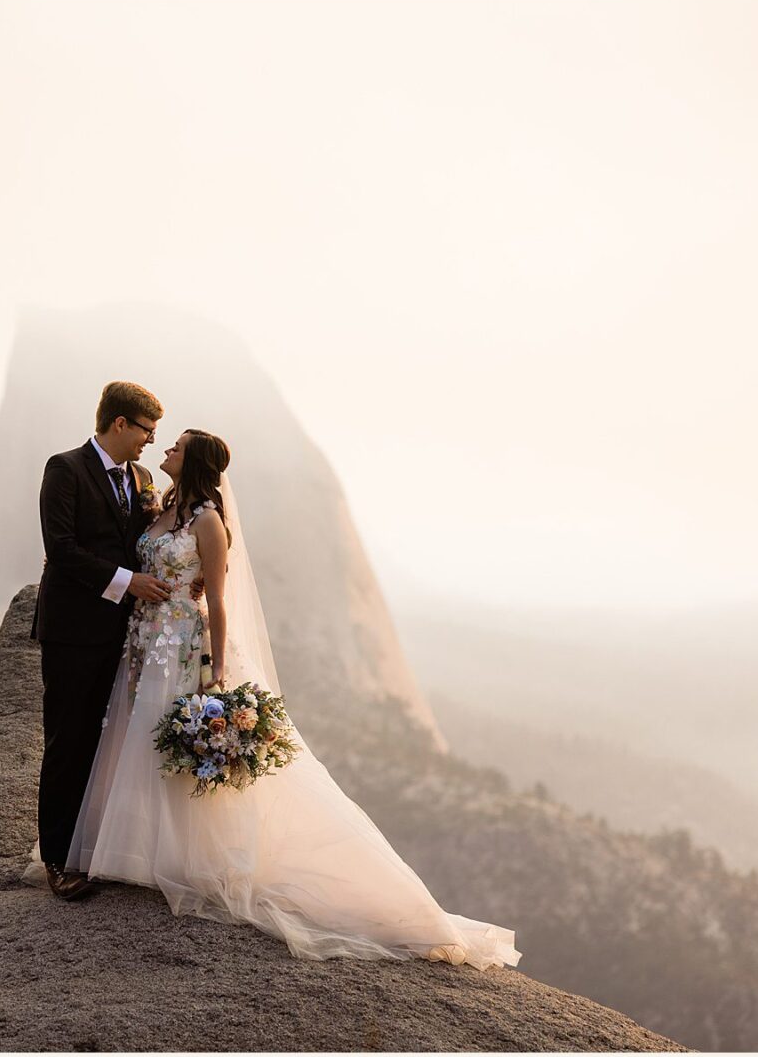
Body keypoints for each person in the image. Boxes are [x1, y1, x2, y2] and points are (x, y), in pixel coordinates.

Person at [26, 428, 522, 970]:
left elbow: (218, 599)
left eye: (177, 447)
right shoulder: (160, 505)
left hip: (182, 647)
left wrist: (217, 669)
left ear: (195, 462)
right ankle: (131, 852)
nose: (164, 448)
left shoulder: (208, 522)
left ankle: (179, 860)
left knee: (164, 744)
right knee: (133, 742)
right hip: (142, 644)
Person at [31, 380, 169, 900]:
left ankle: (95, 848)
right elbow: (61, 547)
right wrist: (128, 582)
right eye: (146, 431)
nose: (151, 441)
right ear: (119, 423)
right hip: (72, 632)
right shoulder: (65, 469)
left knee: (108, 743)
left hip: (123, 634)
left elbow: (144, 542)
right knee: (68, 740)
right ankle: (57, 859)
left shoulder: (142, 478)